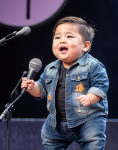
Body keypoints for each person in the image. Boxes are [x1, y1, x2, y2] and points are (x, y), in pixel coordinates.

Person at [21, 16, 109, 150]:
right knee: (49, 140)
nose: (62, 40)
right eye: (57, 37)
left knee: (93, 143)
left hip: (88, 120)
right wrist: (33, 87)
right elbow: (43, 89)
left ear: (85, 46)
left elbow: (100, 86)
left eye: (69, 36)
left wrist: (89, 98)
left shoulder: (93, 65)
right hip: (56, 122)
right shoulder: (50, 68)